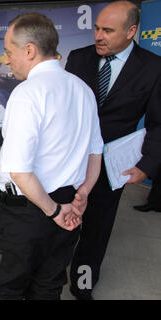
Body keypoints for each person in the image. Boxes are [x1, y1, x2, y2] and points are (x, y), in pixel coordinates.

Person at [0, 12, 103, 300]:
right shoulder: (83, 90)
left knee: (5, 290)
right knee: (48, 288)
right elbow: (96, 152)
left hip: (28, 214)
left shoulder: (27, 93)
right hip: (68, 206)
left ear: (29, 50)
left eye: (9, 52)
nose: (7, 60)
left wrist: (53, 211)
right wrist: (83, 192)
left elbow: (20, 171)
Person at [65, 1, 161, 300]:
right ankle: (48, 278)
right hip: (71, 161)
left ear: (131, 31)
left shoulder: (153, 68)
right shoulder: (78, 58)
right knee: (61, 221)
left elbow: (159, 124)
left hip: (112, 165)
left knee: (97, 226)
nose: (98, 36)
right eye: (96, 28)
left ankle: (82, 283)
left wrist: (147, 165)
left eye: (108, 30)